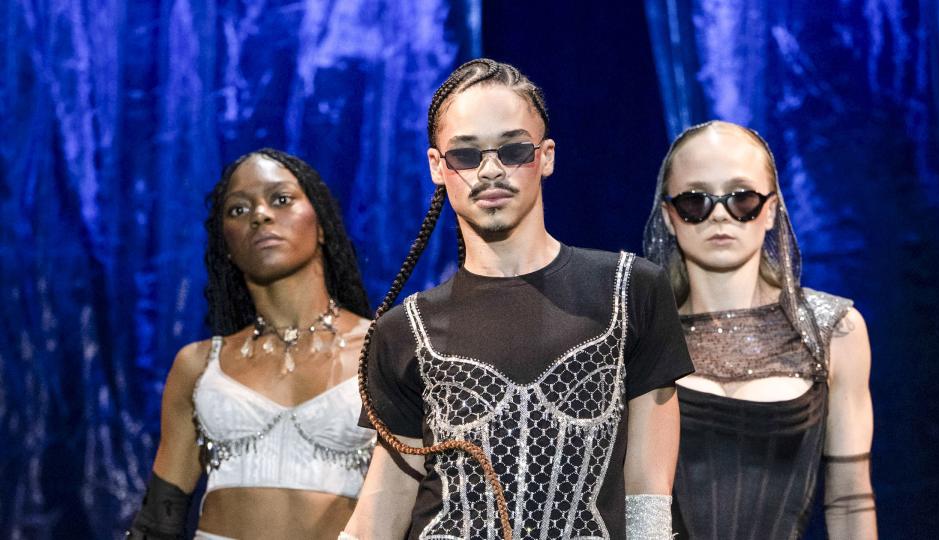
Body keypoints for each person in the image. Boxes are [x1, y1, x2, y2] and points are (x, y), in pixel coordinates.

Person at [340, 58, 694, 540]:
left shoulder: (630, 290)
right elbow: (381, 514)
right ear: (437, 167)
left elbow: (649, 493)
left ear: (546, 156)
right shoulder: (405, 330)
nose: (490, 170)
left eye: (512, 150)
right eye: (465, 155)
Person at [643, 121, 877, 539]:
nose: (719, 215)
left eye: (742, 198)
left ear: (770, 210)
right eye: (696, 201)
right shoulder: (639, 336)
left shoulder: (834, 331)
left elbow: (849, 500)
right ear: (669, 215)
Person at [127, 149, 376, 540]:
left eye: (281, 199)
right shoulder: (198, 366)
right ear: (226, 244)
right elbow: (158, 522)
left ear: (322, 224)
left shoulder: (383, 350)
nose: (260, 215)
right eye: (238, 210)